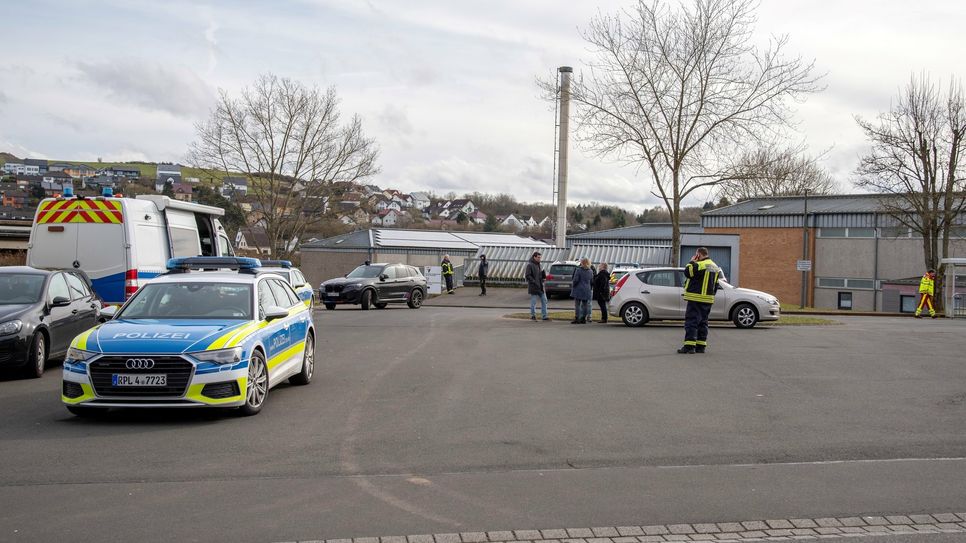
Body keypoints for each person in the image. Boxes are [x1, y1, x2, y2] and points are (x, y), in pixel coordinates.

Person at [678, 247, 721, 354]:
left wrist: (691, 261)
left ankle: (689, 346)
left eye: (696, 255)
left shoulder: (698, 264)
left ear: (699, 255)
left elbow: (688, 273)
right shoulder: (715, 266)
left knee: (692, 321)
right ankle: (701, 346)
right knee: (703, 322)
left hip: (695, 298)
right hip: (708, 299)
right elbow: (716, 284)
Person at [524, 251, 549, 321]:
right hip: (534, 287)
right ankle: (533, 315)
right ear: (534, 257)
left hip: (541, 286)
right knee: (533, 302)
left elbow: (541, 275)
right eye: (538, 257)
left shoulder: (540, 265)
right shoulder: (530, 265)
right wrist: (534, 282)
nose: (539, 259)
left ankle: (544, 316)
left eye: (540, 257)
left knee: (544, 300)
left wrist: (544, 275)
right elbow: (527, 275)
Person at [571, 258, 594, 324]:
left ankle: (577, 318)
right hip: (587, 289)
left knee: (577, 305)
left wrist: (573, 285)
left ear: (582, 262)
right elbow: (592, 281)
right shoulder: (590, 271)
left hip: (578, 289)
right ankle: (583, 318)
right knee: (585, 305)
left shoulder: (578, 270)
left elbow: (575, 280)